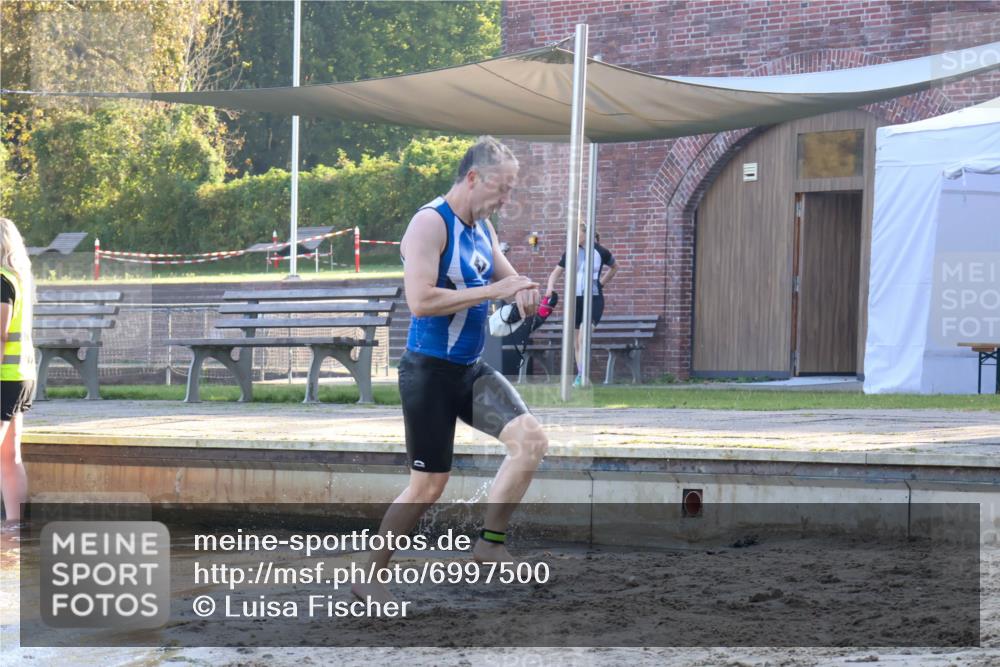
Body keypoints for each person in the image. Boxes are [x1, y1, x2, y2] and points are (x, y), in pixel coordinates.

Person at [353, 137, 548, 603]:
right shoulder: (429, 223)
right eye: (501, 189)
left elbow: (509, 281)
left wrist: (524, 295)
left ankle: (489, 546)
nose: (505, 200)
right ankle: (368, 576)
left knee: (531, 442)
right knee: (427, 487)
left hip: (468, 371)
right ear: (473, 178)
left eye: (511, 191)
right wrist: (492, 292)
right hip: (428, 373)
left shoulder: (483, 229)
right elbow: (420, 300)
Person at [545, 226, 619, 386]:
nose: (573, 236)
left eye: (577, 233)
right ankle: (581, 376)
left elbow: (615, 267)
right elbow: (555, 273)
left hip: (593, 299)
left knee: (583, 338)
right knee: (576, 342)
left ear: (586, 234)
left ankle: (583, 376)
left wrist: (601, 283)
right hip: (574, 301)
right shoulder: (571, 252)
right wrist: (550, 288)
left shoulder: (601, 251)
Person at [0, 217, 34, 530]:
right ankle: (15, 530)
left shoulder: (0, 280)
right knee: (10, 457)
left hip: (3, 379)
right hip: (20, 375)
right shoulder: (16, 277)